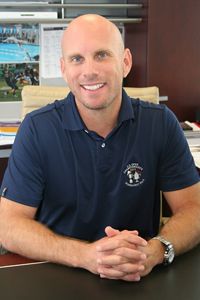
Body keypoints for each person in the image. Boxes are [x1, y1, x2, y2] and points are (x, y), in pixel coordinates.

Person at [0, 14, 200, 282]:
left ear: (126, 62)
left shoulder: (161, 123)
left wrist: (156, 251)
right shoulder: (37, 129)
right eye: (76, 59)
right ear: (63, 68)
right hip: (56, 275)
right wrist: (86, 256)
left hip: (138, 275)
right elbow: (8, 226)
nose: (89, 71)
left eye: (102, 55)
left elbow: (194, 209)